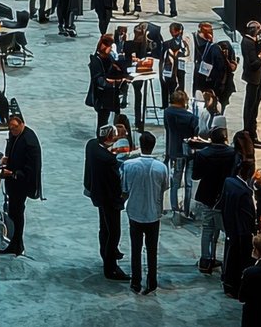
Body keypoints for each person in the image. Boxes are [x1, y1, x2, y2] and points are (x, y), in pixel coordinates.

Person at [122, 132, 171, 294]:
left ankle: (136, 281)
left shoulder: (129, 165)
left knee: (135, 249)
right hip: (153, 213)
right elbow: (165, 187)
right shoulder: (161, 167)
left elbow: (125, 189)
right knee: (152, 249)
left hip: (135, 212)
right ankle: (152, 280)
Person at [83, 124, 129, 281]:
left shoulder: (92, 145)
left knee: (104, 228)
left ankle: (106, 255)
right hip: (110, 198)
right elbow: (118, 176)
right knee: (113, 232)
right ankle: (111, 268)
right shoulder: (109, 160)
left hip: (98, 194)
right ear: (110, 138)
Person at [191, 126, 238, 274]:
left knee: (207, 227)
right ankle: (225, 259)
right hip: (226, 195)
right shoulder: (233, 153)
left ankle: (205, 259)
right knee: (224, 228)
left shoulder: (203, 154)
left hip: (208, 195)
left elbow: (195, 176)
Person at [0, 112, 42, 256]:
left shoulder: (30, 142)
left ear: (22, 124)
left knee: (17, 213)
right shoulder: (15, 135)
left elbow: (31, 169)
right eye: (10, 128)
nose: (12, 131)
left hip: (21, 184)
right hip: (13, 183)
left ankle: (17, 244)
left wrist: (12, 173)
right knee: (13, 212)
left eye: (15, 128)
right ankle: (16, 243)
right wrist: (8, 159)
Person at [220, 167, 258, 296]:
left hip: (231, 228)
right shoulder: (244, 193)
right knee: (239, 261)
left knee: (231, 258)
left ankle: (228, 284)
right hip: (242, 232)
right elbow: (247, 216)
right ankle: (236, 288)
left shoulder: (229, 182)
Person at [164, 89, 199, 220]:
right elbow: (196, 134)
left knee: (175, 182)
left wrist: (168, 153)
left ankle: (175, 210)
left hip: (174, 150)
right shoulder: (191, 117)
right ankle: (187, 209)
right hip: (189, 152)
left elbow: (168, 131)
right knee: (189, 183)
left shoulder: (167, 113)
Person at [88, 35, 128, 129]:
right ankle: (101, 140)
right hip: (101, 96)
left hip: (112, 94)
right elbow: (100, 81)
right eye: (109, 46)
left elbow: (116, 67)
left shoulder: (109, 57)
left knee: (114, 118)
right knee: (102, 122)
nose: (110, 49)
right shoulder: (96, 61)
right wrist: (117, 81)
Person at [240, 20, 261, 138]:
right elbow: (253, 62)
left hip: (258, 78)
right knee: (250, 106)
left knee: (256, 103)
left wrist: (259, 41)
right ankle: (249, 130)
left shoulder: (254, 41)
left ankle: (253, 128)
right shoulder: (247, 43)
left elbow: (260, 49)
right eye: (258, 30)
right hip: (252, 78)